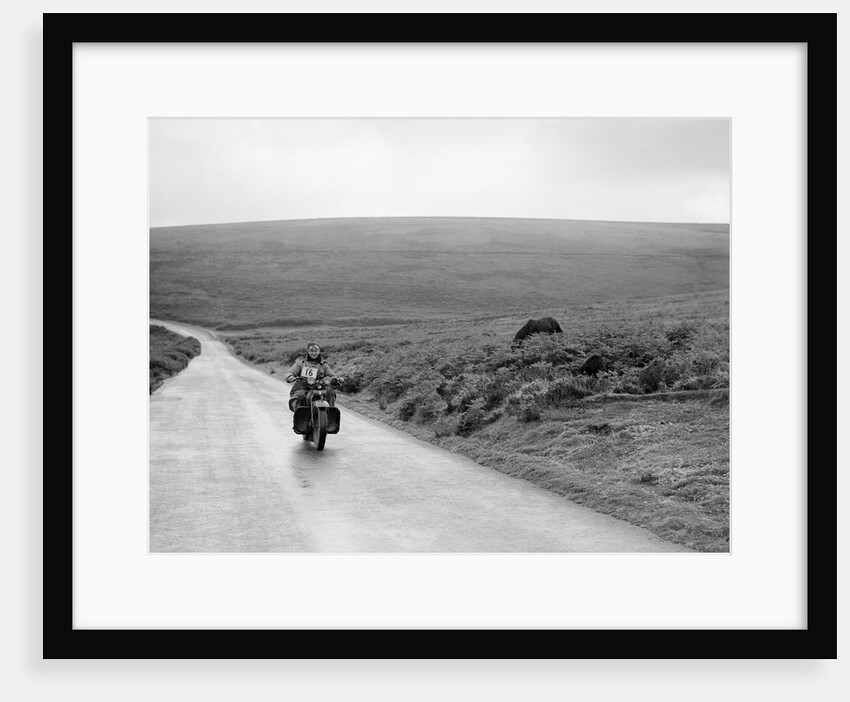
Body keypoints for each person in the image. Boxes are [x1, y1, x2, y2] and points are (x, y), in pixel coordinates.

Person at [284, 342, 339, 412]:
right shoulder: (301, 363)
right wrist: (290, 377)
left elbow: (332, 375)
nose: (314, 353)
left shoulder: (323, 364)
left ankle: (331, 413)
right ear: (308, 352)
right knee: (299, 395)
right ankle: (299, 416)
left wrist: (336, 379)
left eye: (316, 351)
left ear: (319, 352)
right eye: (311, 351)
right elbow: (290, 372)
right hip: (303, 386)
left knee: (330, 391)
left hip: (320, 386)